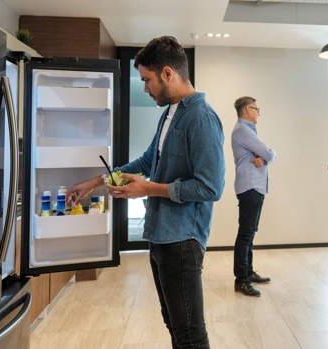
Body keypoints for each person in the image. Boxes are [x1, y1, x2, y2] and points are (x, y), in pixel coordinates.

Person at [67, 36, 225, 349]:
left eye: (147, 80)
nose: (146, 88)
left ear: (168, 73)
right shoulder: (171, 114)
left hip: (183, 240)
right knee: (176, 327)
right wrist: (95, 181)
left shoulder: (202, 118)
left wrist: (148, 189)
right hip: (162, 237)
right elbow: (147, 161)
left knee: (191, 334)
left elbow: (210, 187)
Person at [231, 96, 277, 297]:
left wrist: (265, 160)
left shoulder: (247, 131)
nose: (258, 113)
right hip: (250, 187)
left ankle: (248, 273)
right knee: (246, 234)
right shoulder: (243, 130)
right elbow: (268, 152)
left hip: (254, 187)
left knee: (249, 233)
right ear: (248, 109)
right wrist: (268, 157)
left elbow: (264, 157)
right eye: (257, 109)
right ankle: (241, 280)